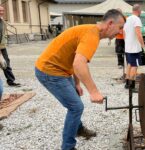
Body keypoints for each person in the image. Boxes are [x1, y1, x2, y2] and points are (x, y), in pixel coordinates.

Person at [35, 9, 125, 150]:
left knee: (75, 101)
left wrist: (77, 83)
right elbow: (79, 64)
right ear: (110, 23)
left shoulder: (92, 32)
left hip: (61, 70)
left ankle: (78, 128)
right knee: (76, 107)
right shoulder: (92, 36)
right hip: (49, 71)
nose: (119, 32)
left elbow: (76, 60)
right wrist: (94, 91)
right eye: (120, 28)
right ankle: (68, 147)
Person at [123, 4, 145, 89]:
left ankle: (127, 83)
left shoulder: (127, 19)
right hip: (135, 49)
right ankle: (131, 85)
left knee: (129, 64)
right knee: (134, 66)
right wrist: (143, 46)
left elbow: (124, 32)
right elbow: (139, 34)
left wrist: (127, 42)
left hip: (128, 47)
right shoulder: (137, 19)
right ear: (138, 11)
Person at [0, 6, 20, 87]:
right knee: (4, 62)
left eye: (2, 10)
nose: (2, 12)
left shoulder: (2, 20)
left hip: (2, 46)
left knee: (6, 63)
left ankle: (11, 81)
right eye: (0, 10)